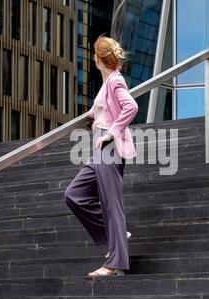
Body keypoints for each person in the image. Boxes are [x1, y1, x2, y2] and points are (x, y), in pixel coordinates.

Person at [64, 35, 138, 278]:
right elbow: (104, 108)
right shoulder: (107, 84)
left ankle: (115, 263)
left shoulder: (116, 81)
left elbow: (131, 107)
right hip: (99, 148)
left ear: (97, 59)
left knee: (111, 204)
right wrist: (92, 113)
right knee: (74, 195)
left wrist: (111, 133)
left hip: (108, 146)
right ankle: (114, 234)